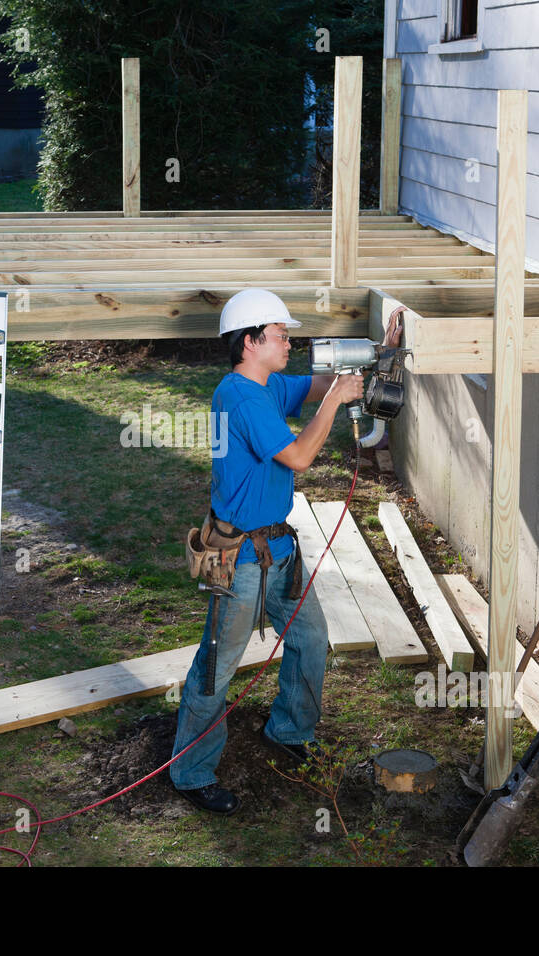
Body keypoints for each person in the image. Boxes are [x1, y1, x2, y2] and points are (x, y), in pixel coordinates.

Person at [169, 288, 402, 815]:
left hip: (278, 547)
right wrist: (333, 402)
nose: (289, 342)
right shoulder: (241, 397)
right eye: (280, 334)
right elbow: (298, 455)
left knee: (311, 638)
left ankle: (290, 731)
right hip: (241, 557)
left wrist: (376, 355)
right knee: (217, 665)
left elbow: (321, 382)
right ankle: (190, 772)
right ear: (250, 343)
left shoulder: (268, 385)